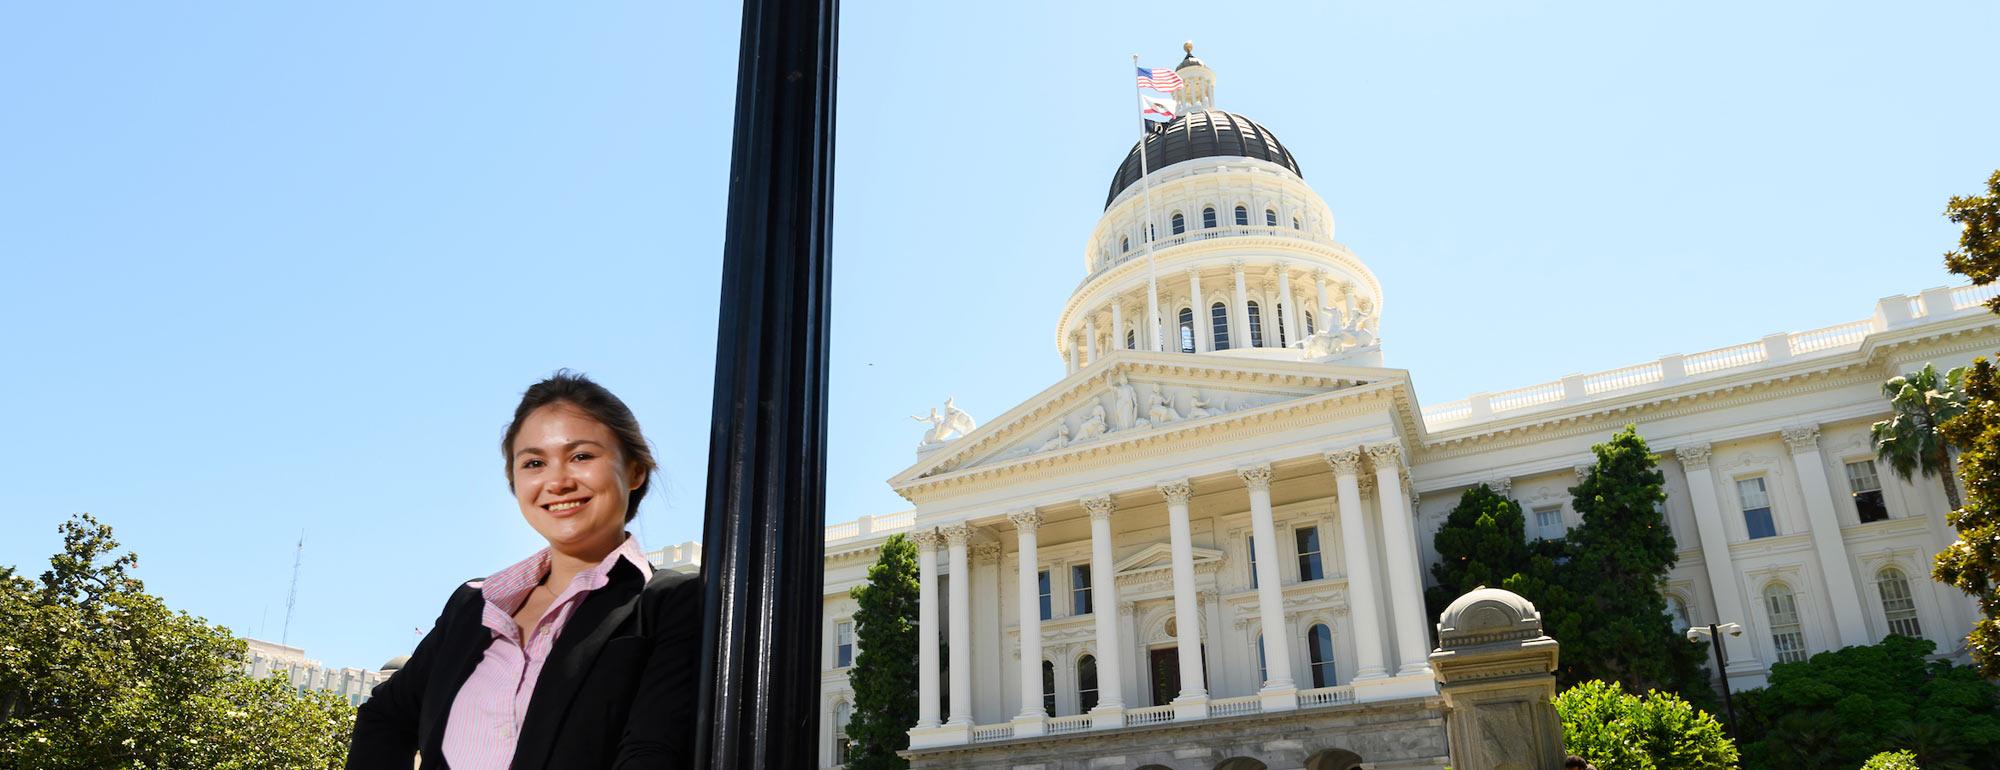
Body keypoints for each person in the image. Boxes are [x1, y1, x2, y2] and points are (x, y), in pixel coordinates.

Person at [347, 371, 701, 769]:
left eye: (581, 456)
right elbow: (384, 718)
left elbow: (651, 753)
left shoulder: (671, 602)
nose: (557, 481)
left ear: (635, 470)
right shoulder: (473, 605)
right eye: (534, 462)